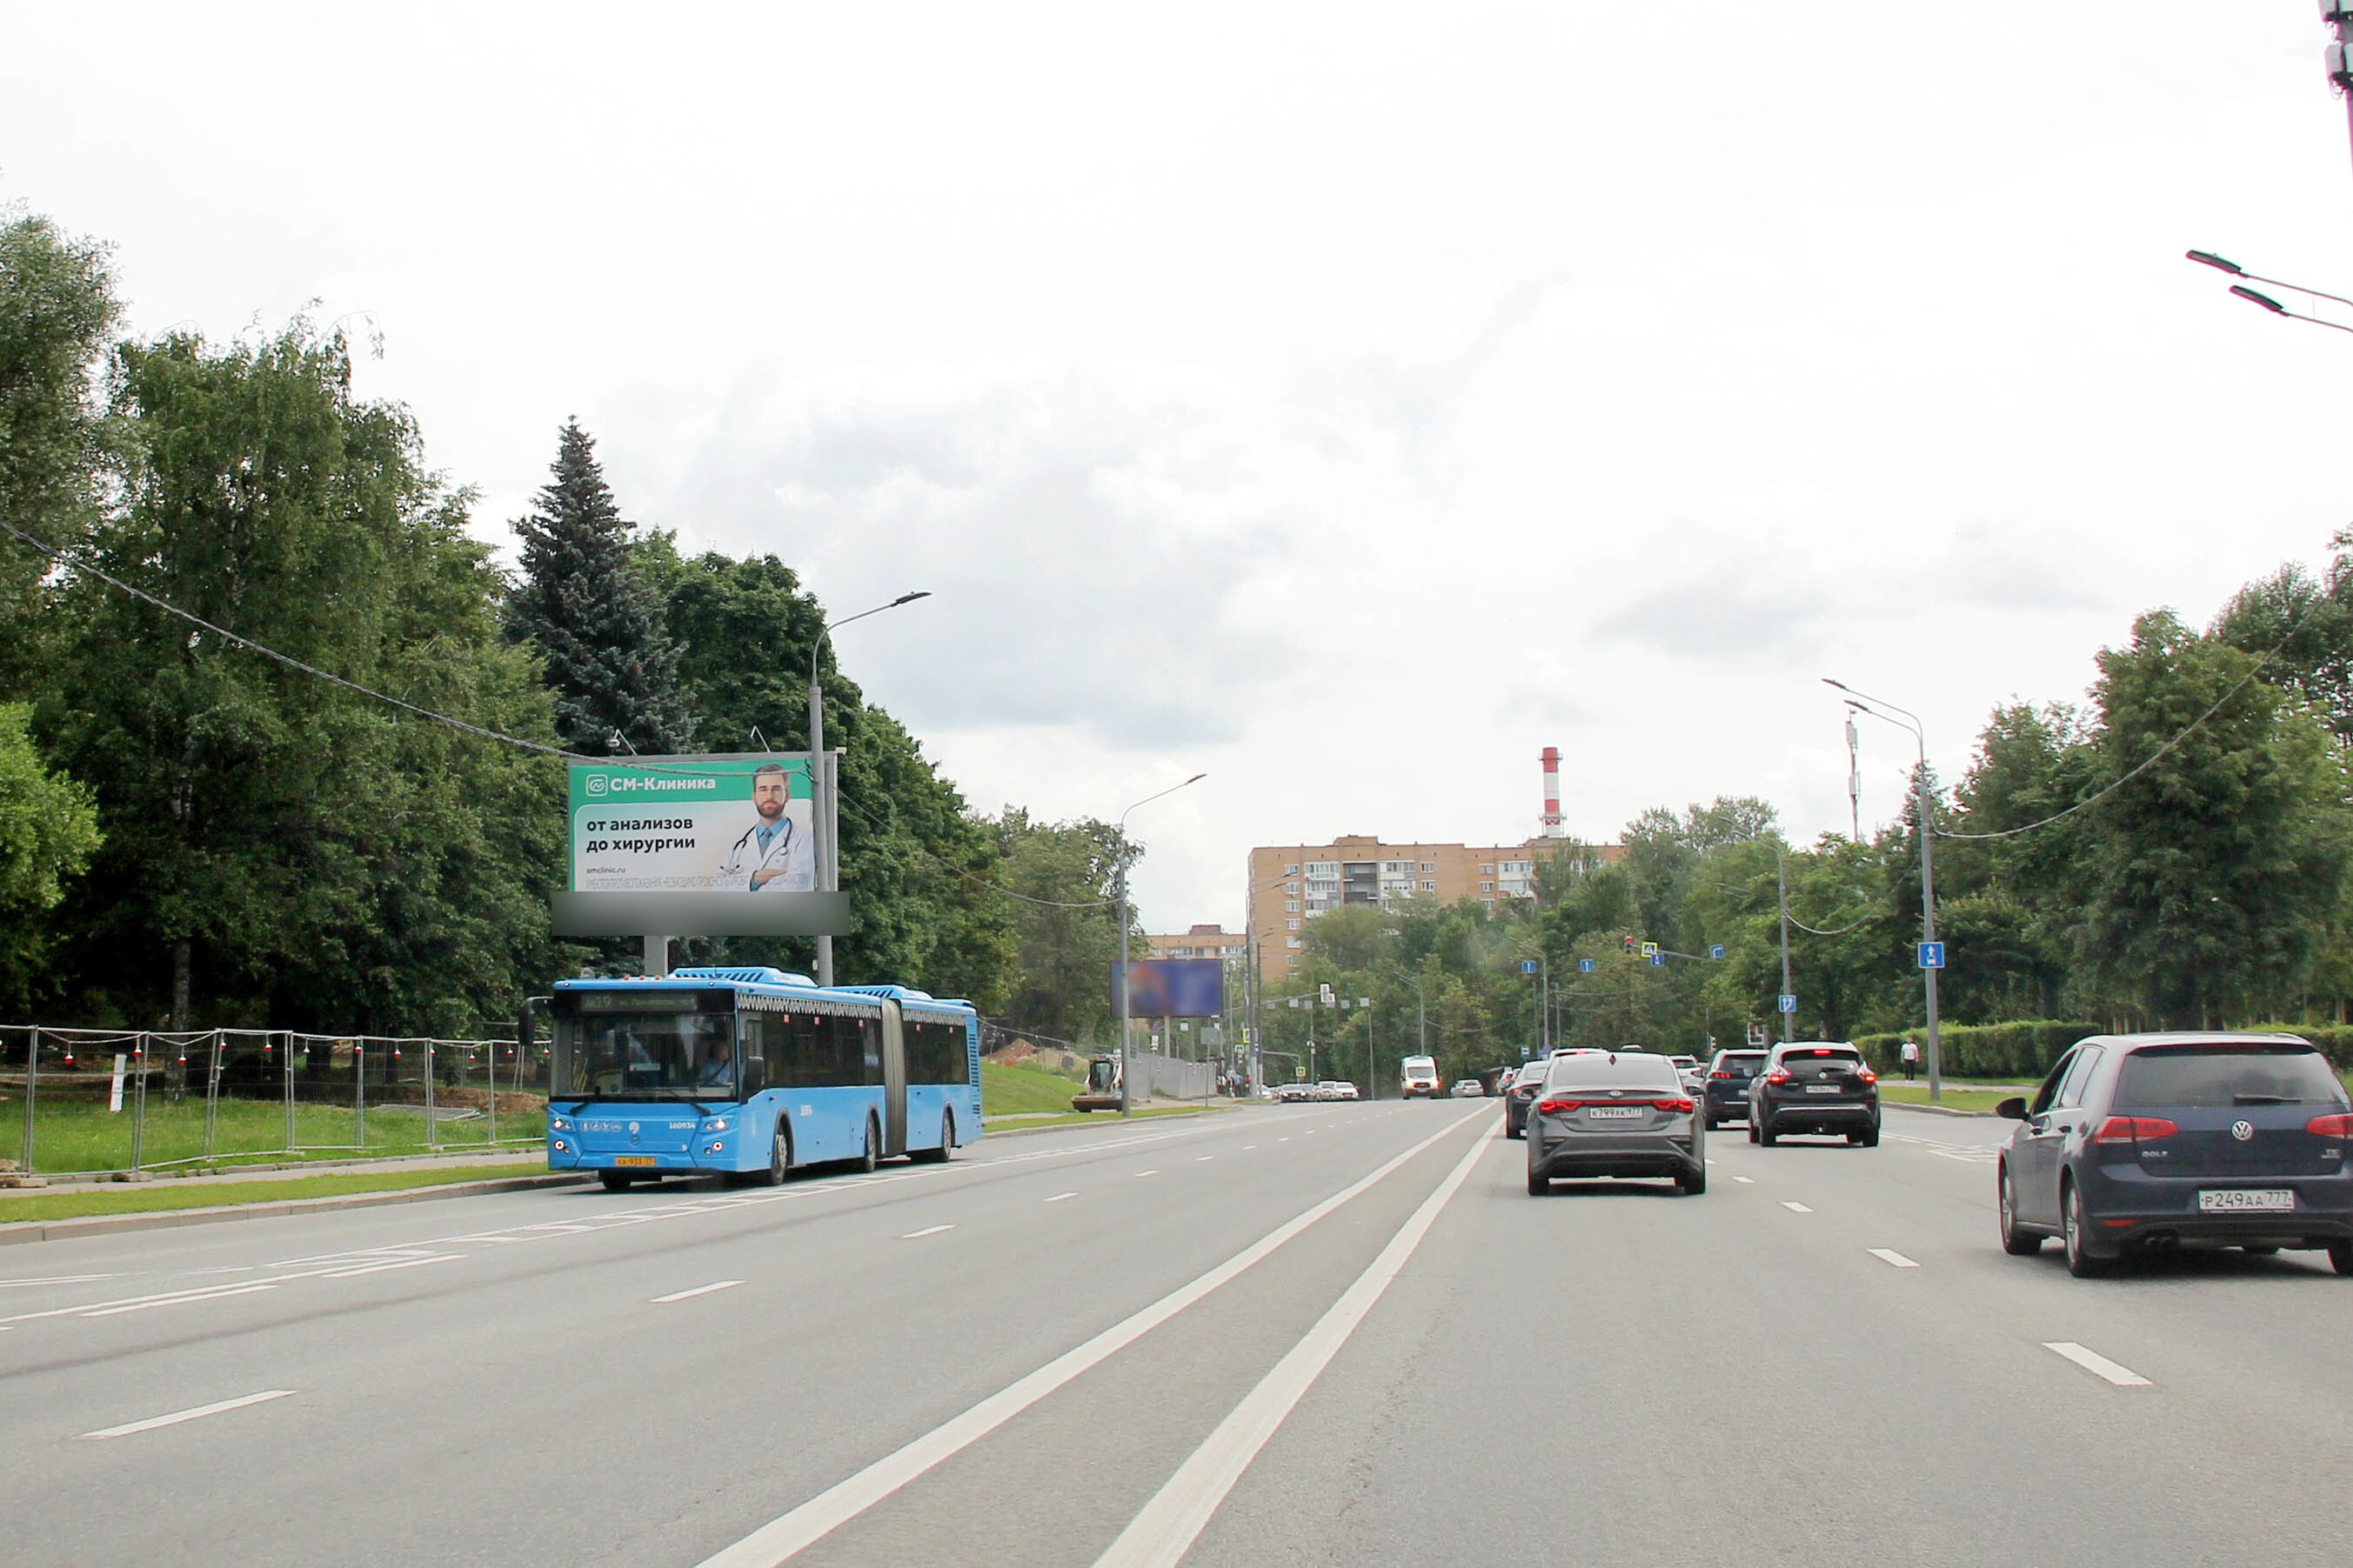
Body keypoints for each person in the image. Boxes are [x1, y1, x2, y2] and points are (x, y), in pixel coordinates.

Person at [713, 761, 815, 891]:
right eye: (763, 789)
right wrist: (754, 879)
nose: (769, 796)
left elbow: (800, 886)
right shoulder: (739, 844)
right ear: (754, 797)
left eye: (776, 789)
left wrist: (740, 885)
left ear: (787, 795)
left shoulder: (805, 839)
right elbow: (718, 887)